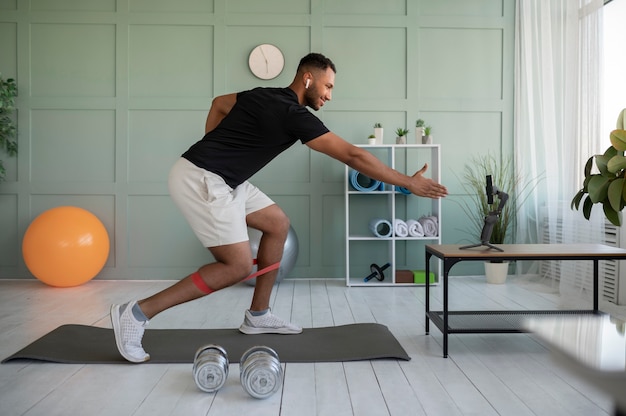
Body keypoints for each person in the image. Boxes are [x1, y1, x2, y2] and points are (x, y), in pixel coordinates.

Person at [110, 52, 448, 363]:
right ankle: (137, 313)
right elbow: (352, 155)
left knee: (276, 223)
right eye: (327, 86)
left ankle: (257, 316)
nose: (329, 95)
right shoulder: (293, 114)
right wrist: (407, 182)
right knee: (237, 266)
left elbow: (218, 104)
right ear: (307, 79)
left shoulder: (261, 94)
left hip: (223, 177)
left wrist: (216, 147)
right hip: (202, 179)